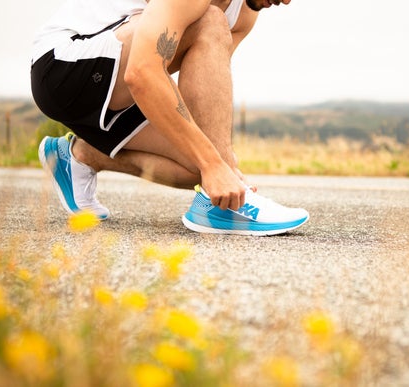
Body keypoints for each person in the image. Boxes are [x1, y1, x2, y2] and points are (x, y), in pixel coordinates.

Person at [31, 0, 309, 236]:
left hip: (119, 85)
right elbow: (141, 73)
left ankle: (77, 156)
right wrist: (215, 162)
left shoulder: (246, 13)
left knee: (201, 169)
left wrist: (218, 164)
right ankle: (224, 209)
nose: (287, 1)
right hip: (63, 67)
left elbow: (205, 90)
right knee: (210, 20)